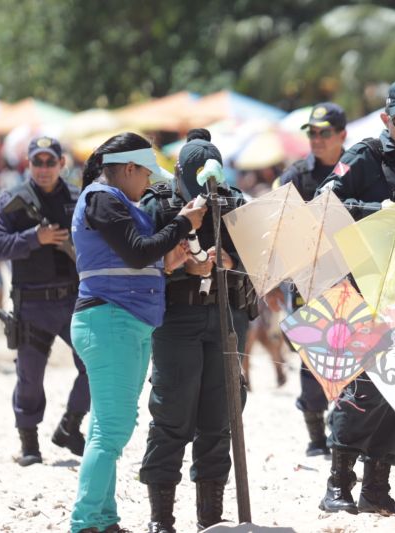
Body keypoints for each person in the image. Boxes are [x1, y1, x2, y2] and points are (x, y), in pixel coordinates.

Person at [316, 79, 395, 516]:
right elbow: (324, 200)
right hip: (366, 285)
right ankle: (337, 485)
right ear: (386, 119)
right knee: (363, 389)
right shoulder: (364, 156)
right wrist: (375, 211)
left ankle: (376, 487)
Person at [68, 132, 205, 533]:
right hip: (112, 321)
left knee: (103, 429)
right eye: (147, 174)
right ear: (129, 168)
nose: (149, 183)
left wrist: (171, 263)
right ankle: (86, 522)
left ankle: (102, 519)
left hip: (117, 320)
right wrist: (183, 224)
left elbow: (135, 260)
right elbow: (137, 251)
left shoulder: (110, 199)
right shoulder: (103, 198)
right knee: (112, 431)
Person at [138, 129, 256, 532]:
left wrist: (230, 259)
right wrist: (183, 264)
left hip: (225, 317)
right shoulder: (159, 205)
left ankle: (210, 517)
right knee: (171, 417)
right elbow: (140, 257)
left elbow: (260, 259)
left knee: (219, 419)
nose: (206, 191)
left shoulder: (234, 203)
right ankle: (161, 518)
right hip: (177, 321)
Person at [0, 136, 89, 466]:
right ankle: (29, 443)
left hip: (73, 300)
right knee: (30, 378)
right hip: (32, 304)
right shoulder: (11, 201)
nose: (45, 168)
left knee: (93, 365)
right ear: (28, 164)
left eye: (51, 162)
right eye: (38, 162)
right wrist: (36, 238)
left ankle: (70, 426)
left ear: (62, 163)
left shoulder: (79, 198)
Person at [274, 102, 347, 456]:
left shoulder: (357, 169)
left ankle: (344, 431)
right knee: (312, 358)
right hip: (309, 278)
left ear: (342, 135)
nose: (316, 139)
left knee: (353, 356)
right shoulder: (295, 175)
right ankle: (316, 436)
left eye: (324, 133)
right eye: (312, 133)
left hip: (352, 277)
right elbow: (278, 223)